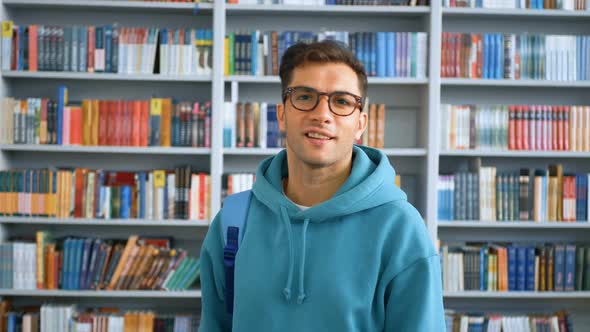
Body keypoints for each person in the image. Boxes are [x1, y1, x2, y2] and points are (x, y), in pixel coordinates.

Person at [199, 40, 445, 331]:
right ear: (281, 114)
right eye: (305, 97)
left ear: (360, 124)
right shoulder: (233, 222)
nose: (322, 114)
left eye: (341, 101)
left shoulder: (401, 229)